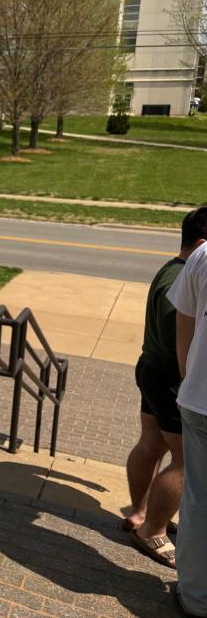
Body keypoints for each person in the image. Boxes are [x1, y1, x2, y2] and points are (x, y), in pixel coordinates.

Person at [123, 207, 207, 569]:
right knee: (186, 461)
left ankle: (140, 513)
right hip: (172, 378)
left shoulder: (169, 269)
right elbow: (186, 342)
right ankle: (152, 530)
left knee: (151, 443)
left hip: (151, 368)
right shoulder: (184, 277)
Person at [168, 226, 207, 618]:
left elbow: (185, 325)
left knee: (198, 500)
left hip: (200, 399)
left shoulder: (202, 256)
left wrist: (187, 377)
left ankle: (196, 597)